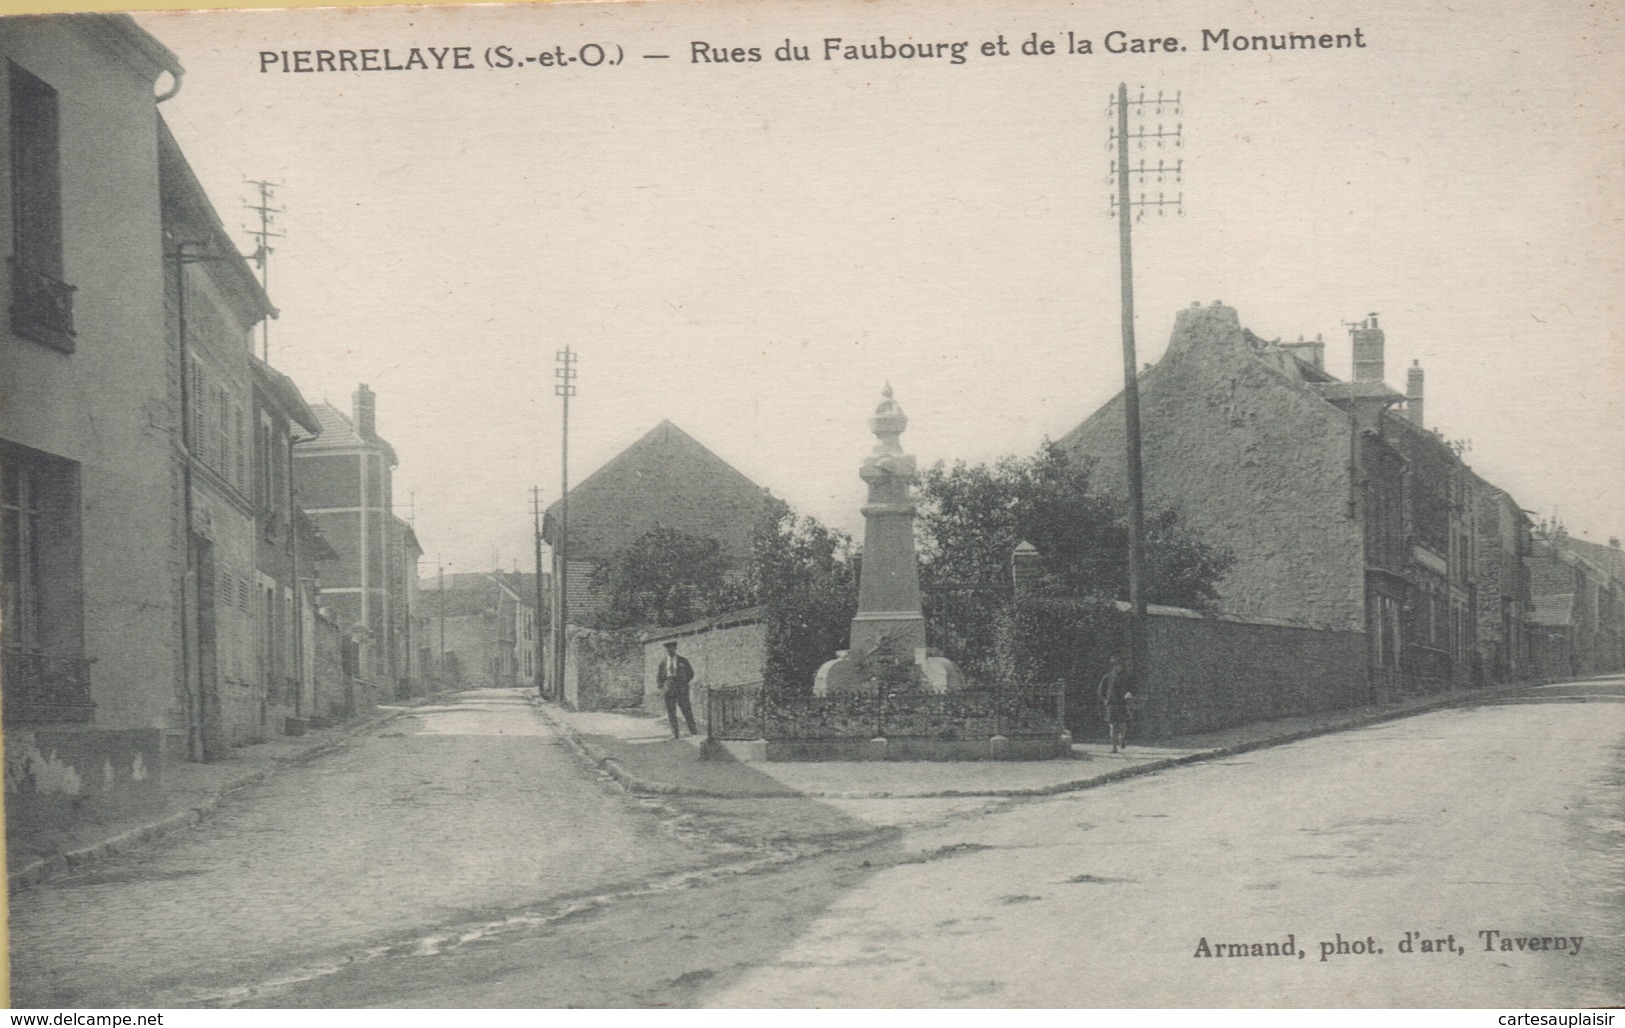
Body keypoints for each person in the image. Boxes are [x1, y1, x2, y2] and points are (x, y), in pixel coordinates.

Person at [657, 639, 698, 740]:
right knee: (671, 711)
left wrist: (684, 683)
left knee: (686, 710)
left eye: (671, 648)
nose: (669, 650)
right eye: (667, 649)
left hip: (681, 687)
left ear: (675, 648)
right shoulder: (663, 662)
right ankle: (675, 734)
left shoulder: (683, 660)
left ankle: (694, 732)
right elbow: (659, 677)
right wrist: (663, 687)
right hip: (668, 687)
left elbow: (691, 673)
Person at [1098, 655, 1133, 753]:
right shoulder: (1107, 677)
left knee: (1122, 725)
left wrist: (1129, 695)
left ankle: (1122, 738)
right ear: (1113, 667)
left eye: (1121, 666)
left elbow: (1131, 689)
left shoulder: (1126, 677)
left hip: (1123, 703)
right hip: (1111, 704)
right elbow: (1101, 690)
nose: (1119, 668)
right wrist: (1104, 699)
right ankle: (1114, 747)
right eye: (1117, 666)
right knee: (1112, 726)